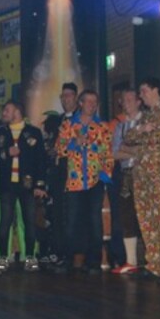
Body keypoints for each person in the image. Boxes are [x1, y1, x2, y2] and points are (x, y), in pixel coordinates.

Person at [127, 77, 160, 277]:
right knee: (146, 218)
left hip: (158, 172)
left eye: (144, 91)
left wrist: (142, 133)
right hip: (142, 173)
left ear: (156, 90)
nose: (141, 96)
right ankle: (154, 264)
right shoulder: (146, 117)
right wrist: (141, 129)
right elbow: (128, 137)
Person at [56, 89, 113, 273]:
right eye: (88, 101)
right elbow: (59, 149)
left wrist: (104, 175)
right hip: (74, 182)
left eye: (95, 102)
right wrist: (74, 143)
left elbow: (108, 153)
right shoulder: (68, 125)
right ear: (80, 103)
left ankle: (94, 262)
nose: (92, 105)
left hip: (95, 182)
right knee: (72, 221)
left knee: (95, 221)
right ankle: (69, 259)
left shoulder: (102, 126)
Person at [0, 100, 46, 272]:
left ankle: (30, 256)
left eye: (7, 110)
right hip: (7, 184)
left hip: (27, 184)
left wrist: (40, 185)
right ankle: (3, 256)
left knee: (29, 221)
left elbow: (41, 160)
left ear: (17, 111)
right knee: (5, 221)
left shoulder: (34, 132)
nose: (4, 113)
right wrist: (6, 153)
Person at [39, 82, 78, 269]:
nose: (66, 99)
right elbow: (52, 145)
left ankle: (74, 254)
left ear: (76, 98)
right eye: (63, 96)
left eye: (69, 95)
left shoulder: (81, 119)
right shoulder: (57, 121)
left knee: (73, 214)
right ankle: (60, 253)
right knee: (58, 213)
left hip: (76, 172)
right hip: (58, 172)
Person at [108, 88, 142, 274]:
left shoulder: (147, 121)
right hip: (125, 173)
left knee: (146, 216)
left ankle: (153, 260)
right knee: (126, 216)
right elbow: (115, 153)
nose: (126, 103)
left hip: (144, 174)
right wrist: (134, 151)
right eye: (123, 100)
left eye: (130, 99)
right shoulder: (120, 126)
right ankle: (131, 261)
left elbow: (147, 150)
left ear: (138, 102)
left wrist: (126, 148)